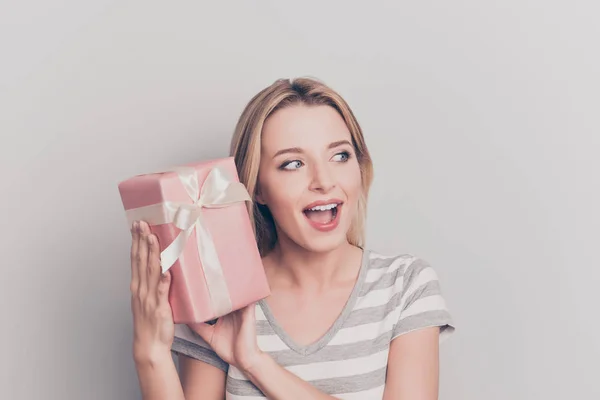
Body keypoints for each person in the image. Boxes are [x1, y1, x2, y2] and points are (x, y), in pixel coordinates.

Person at [129, 77, 455, 399]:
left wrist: (256, 363)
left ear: (360, 166)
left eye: (340, 156)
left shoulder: (405, 287)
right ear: (256, 188)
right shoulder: (221, 295)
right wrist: (151, 354)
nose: (324, 180)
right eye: (293, 164)